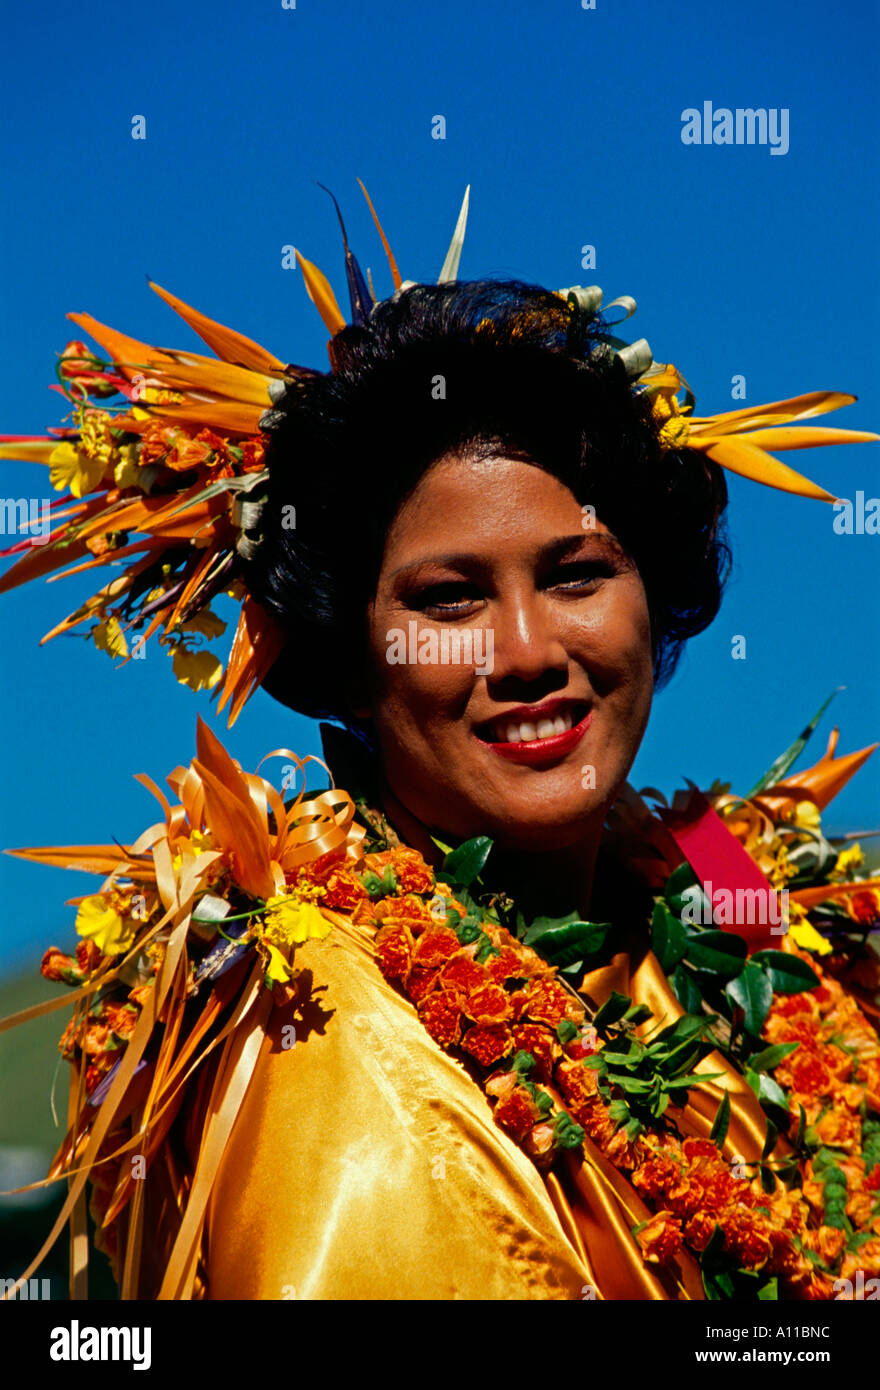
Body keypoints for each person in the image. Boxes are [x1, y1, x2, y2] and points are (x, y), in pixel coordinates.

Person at [2, 187, 879, 1301]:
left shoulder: (739, 882)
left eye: (574, 575)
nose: (525, 651)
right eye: (449, 599)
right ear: (348, 656)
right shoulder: (308, 1010)